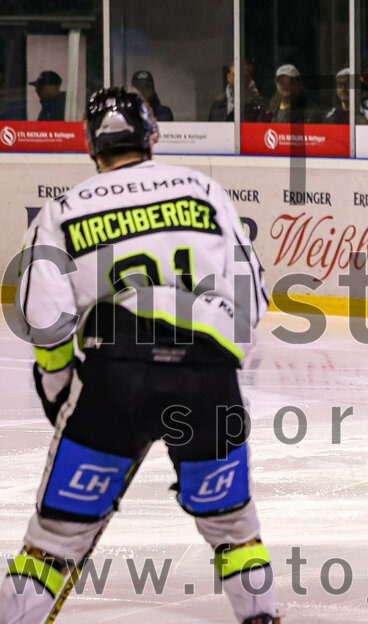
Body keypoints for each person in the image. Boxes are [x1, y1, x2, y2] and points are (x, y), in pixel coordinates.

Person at [0, 88, 279, 623]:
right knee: (233, 526)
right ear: (151, 136)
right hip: (206, 377)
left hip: (114, 377)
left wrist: (63, 401)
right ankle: (261, 618)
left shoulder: (63, 210)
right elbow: (253, 291)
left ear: (91, 146)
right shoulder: (203, 191)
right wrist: (215, 360)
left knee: (55, 540)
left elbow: (46, 322)